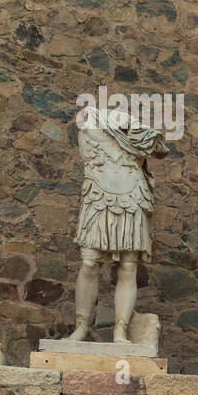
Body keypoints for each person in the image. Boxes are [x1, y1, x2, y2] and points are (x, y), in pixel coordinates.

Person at [67, 105, 167, 343]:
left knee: (129, 266)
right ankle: (81, 327)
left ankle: (120, 330)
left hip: (132, 196)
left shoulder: (142, 134)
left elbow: (159, 148)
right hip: (98, 194)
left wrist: (131, 126)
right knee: (89, 262)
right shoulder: (89, 123)